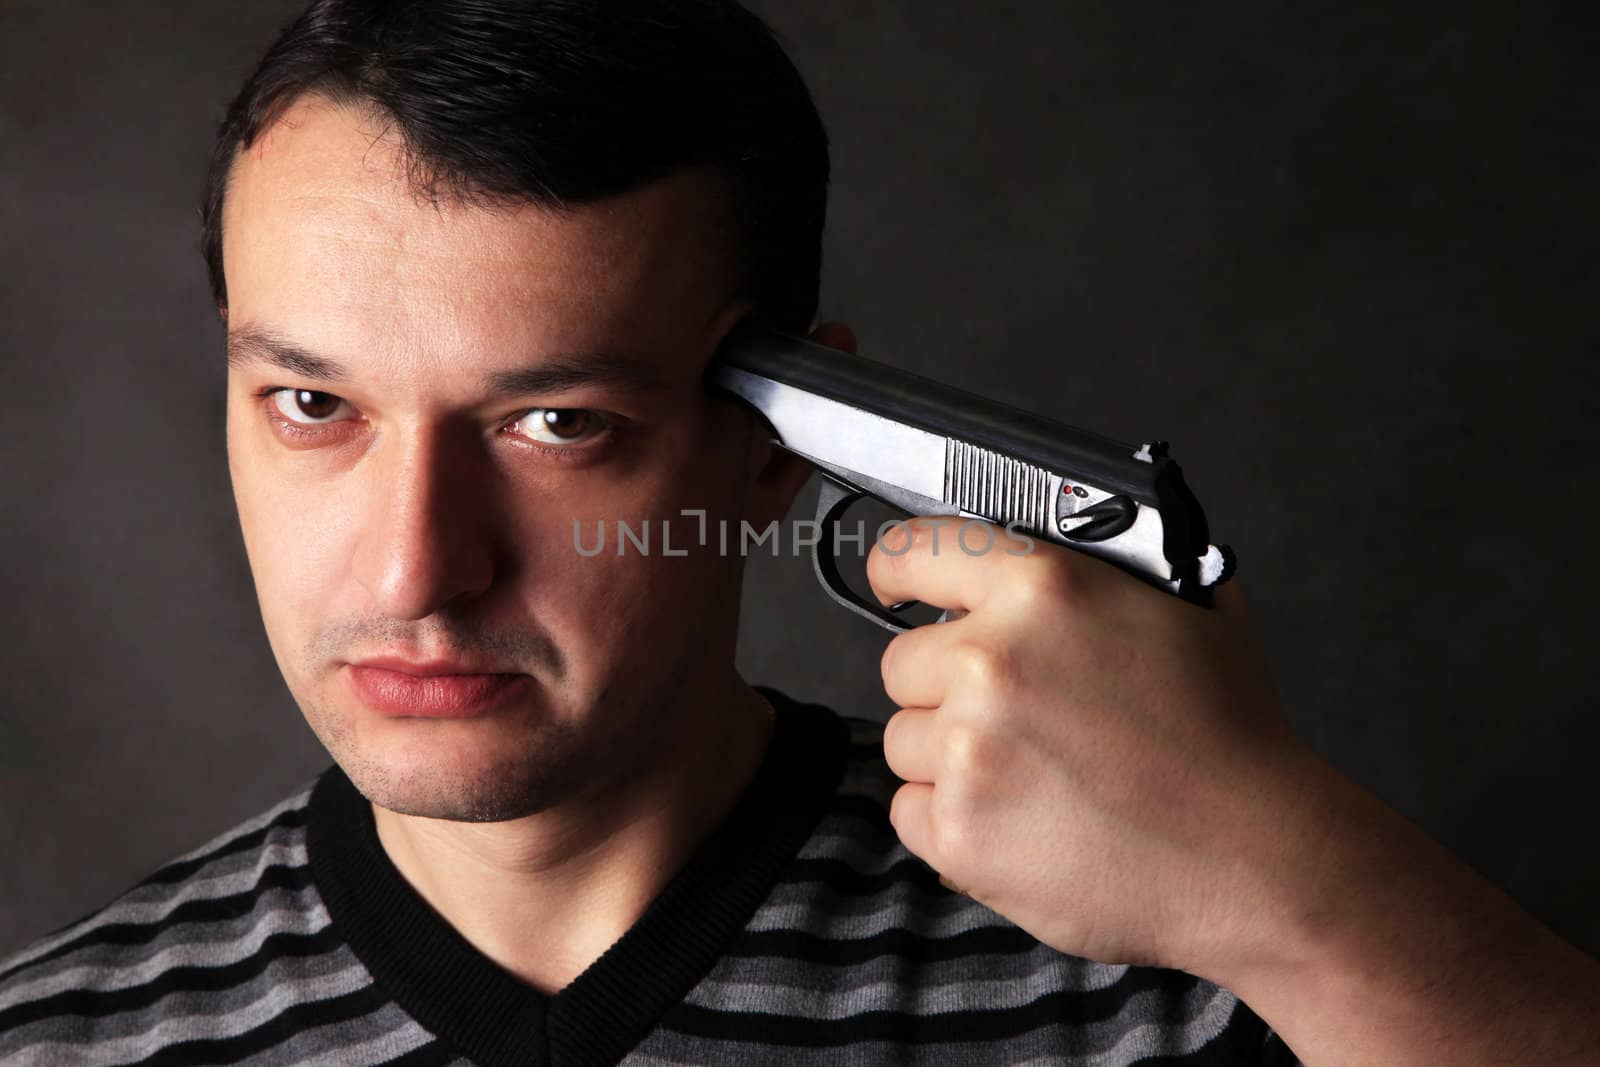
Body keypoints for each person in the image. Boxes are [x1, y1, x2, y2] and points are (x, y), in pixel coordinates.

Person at [1, 2, 1595, 1064]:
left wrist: (1293, 888)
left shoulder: (1199, 992)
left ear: (770, 441)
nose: (418, 569)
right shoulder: (55, 1044)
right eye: (310, 407)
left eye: (559, 423)